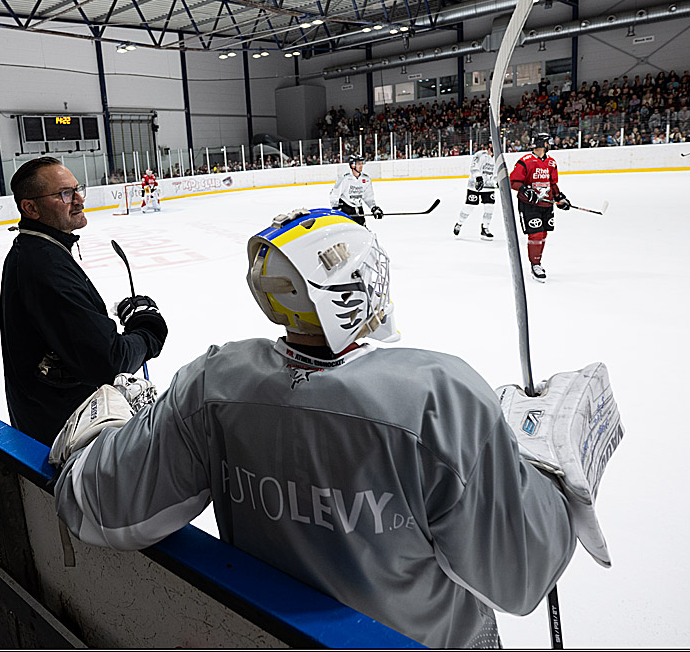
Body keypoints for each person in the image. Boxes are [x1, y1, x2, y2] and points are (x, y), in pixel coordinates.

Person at [49, 208, 622, 649]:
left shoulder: (212, 382)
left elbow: (99, 505)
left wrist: (105, 438)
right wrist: (545, 470)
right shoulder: (440, 395)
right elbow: (519, 574)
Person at [0, 156, 169, 445]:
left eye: (78, 189)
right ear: (31, 207)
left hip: (56, 421)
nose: (78, 199)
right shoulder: (44, 267)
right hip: (66, 439)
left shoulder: (38, 251)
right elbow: (109, 361)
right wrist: (148, 331)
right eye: (65, 194)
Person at [510, 132, 571, 282]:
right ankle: (535, 264)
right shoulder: (525, 162)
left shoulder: (551, 162)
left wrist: (559, 197)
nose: (549, 145)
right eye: (547, 142)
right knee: (535, 234)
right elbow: (514, 181)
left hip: (546, 203)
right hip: (529, 205)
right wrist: (525, 190)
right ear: (542, 144)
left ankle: (537, 259)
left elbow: (552, 183)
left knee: (543, 234)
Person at [453, 141, 497, 240]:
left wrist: (498, 181)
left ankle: (485, 228)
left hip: (488, 186)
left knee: (489, 207)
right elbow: (473, 167)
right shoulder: (480, 154)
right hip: (475, 186)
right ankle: (459, 223)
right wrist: (478, 178)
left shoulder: (497, 158)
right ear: (490, 145)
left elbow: (496, 173)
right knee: (469, 206)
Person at [329, 154, 382, 225]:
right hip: (345, 208)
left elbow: (368, 197)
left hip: (358, 208)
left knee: (362, 231)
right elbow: (334, 193)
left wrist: (374, 208)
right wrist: (336, 208)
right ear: (352, 165)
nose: (361, 165)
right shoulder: (345, 178)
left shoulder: (365, 179)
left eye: (361, 163)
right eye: (358, 164)